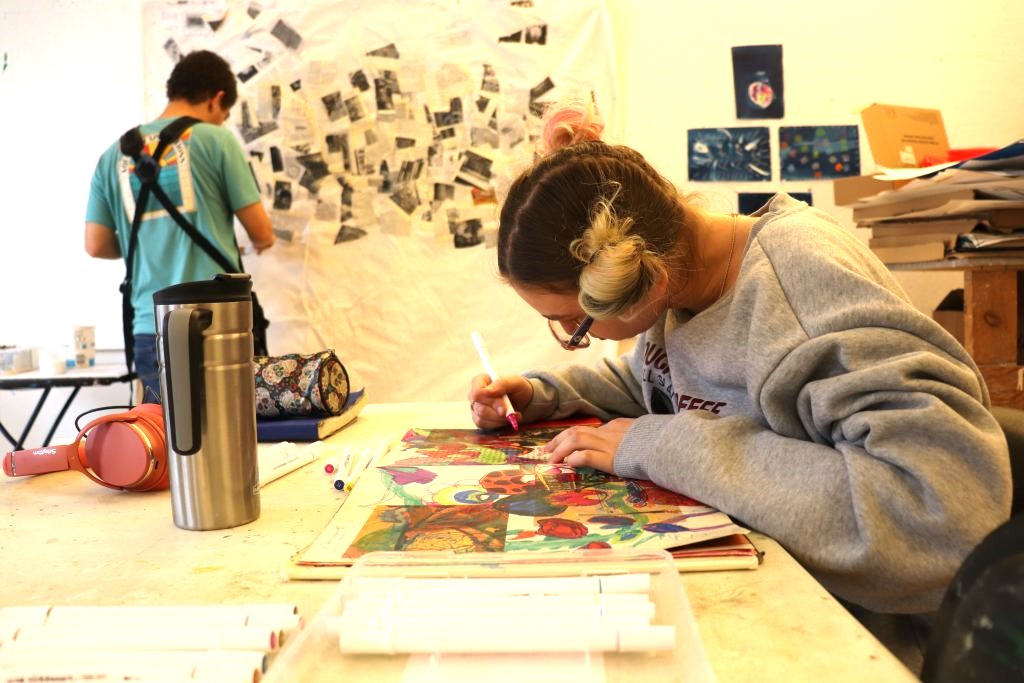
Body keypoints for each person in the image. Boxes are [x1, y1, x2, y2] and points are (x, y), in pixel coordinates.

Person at [467, 102, 1012, 670]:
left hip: (846, 636)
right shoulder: (678, 283)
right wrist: (541, 392)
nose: (568, 336)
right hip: (757, 587)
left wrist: (663, 445)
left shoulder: (799, 289)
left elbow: (941, 517)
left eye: (573, 323)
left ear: (633, 277)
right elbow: (655, 385)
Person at [85, 50, 275, 403]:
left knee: (163, 444)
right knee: (229, 445)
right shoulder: (216, 141)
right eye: (225, 115)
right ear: (217, 99)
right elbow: (261, 232)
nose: (221, 122)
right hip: (218, 323)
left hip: (149, 325)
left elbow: (95, 245)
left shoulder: (112, 156)